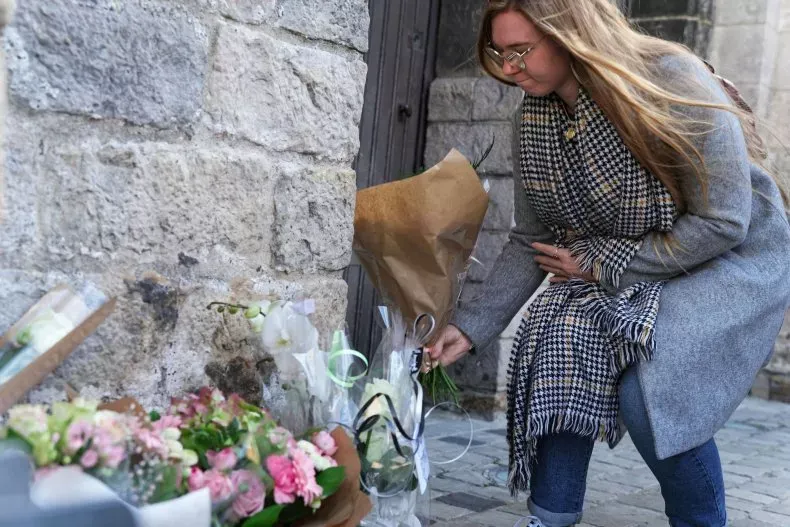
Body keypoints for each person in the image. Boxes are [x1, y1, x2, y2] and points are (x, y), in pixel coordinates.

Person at [425, 1, 790, 526]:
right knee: (561, 343)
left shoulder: (668, 80)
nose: (509, 68)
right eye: (499, 53)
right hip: (628, 258)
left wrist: (601, 265)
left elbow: (724, 221)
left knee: (650, 388)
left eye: (521, 51)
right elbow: (534, 238)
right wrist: (469, 326)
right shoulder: (535, 117)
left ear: (570, 34)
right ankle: (550, 517)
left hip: (731, 258)